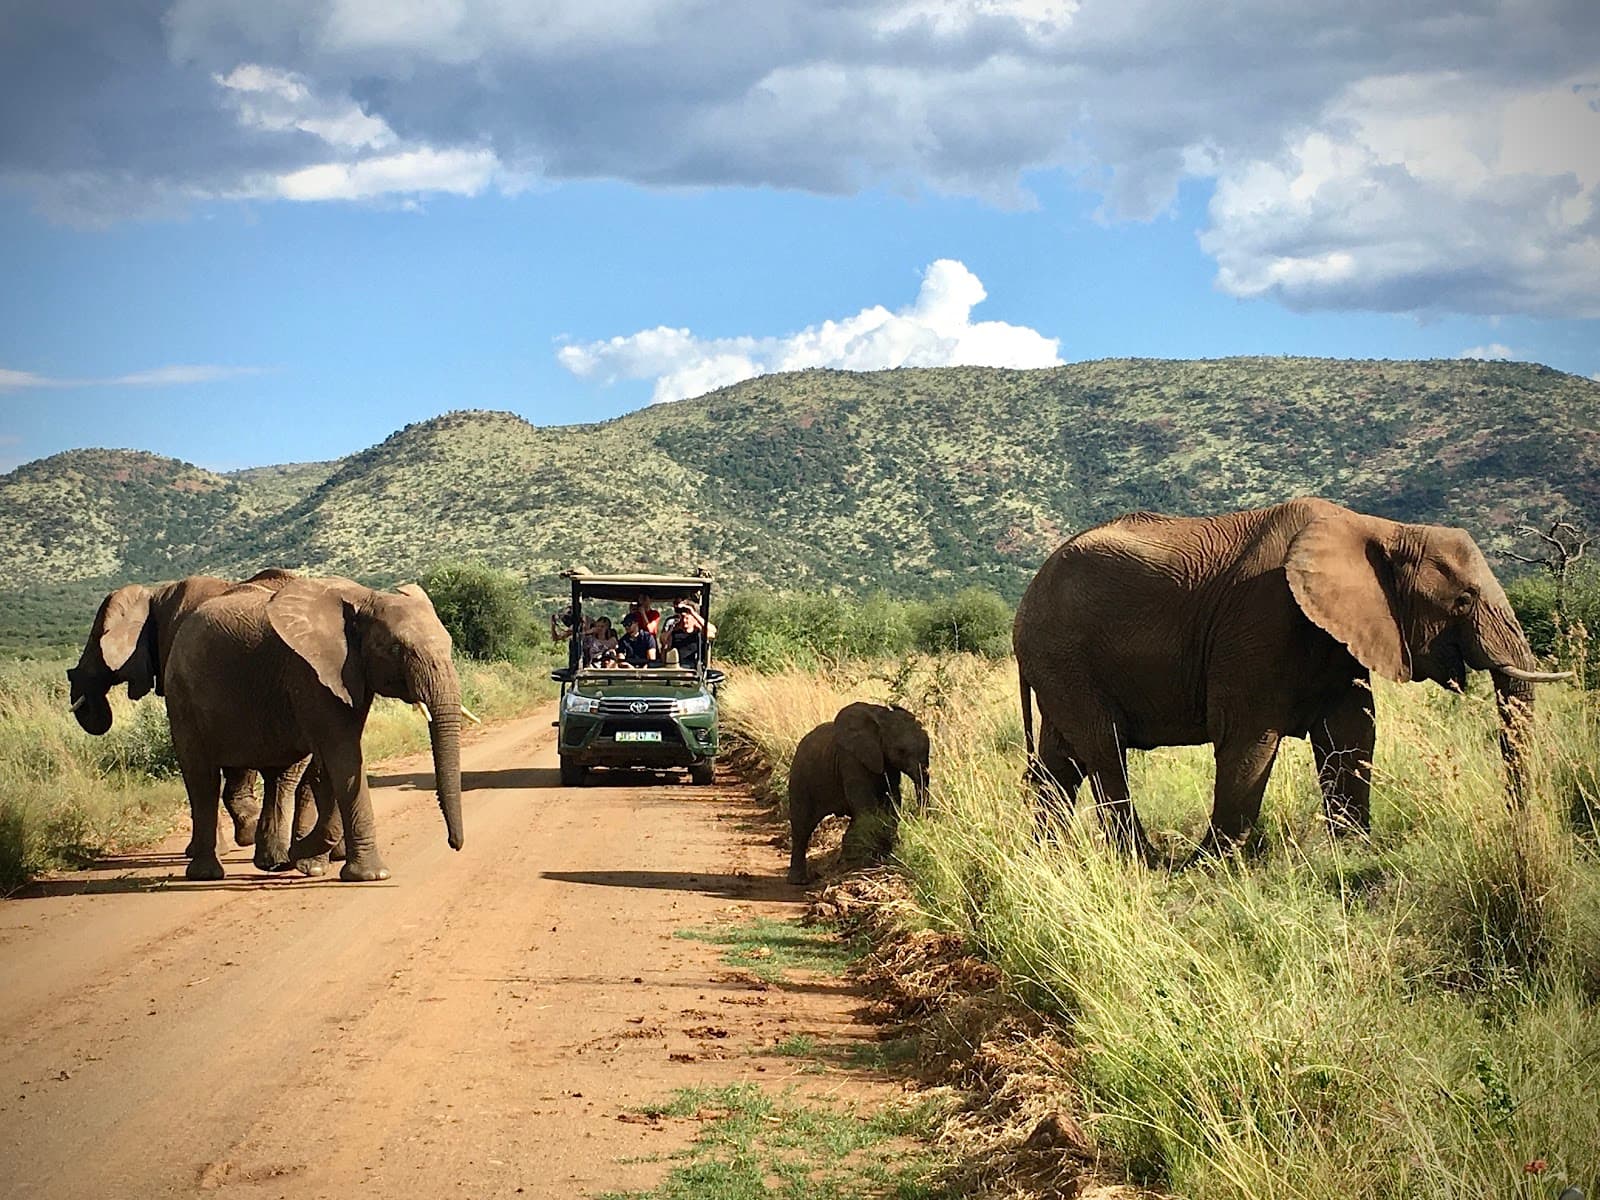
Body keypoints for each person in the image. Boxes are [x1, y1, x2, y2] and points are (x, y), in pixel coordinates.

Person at [662, 599, 715, 669]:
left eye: (687, 618)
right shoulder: (675, 633)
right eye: (682, 618)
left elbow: (713, 631)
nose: (684, 621)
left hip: (695, 669)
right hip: (677, 667)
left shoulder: (700, 633)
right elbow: (663, 640)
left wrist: (693, 613)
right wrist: (674, 627)